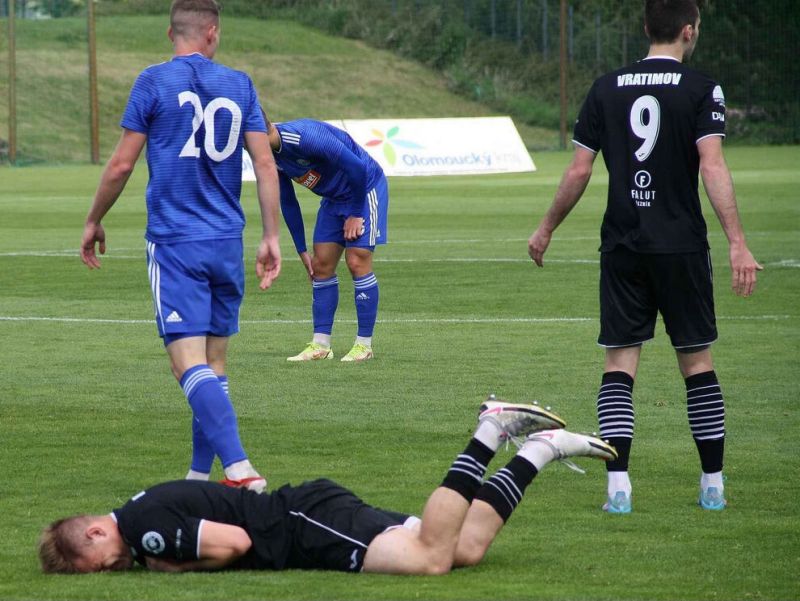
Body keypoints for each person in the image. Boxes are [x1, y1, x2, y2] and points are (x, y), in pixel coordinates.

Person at [528, 0, 762, 514]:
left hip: (623, 246)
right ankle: (713, 486)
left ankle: (618, 492)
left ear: (644, 28)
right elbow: (712, 165)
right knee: (697, 364)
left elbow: (578, 171)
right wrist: (737, 241)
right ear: (688, 31)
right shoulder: (704, 89)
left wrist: (546, 229)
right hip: (680, 246)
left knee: (619, 366)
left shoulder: (605, 87)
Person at [38, 398, 616, 574]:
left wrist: (174, 567)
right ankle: (539, 452)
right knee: (463, 548)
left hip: (305, 526)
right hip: (310, 511)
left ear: (94, 532)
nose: (114, 569)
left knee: (433, 560)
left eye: (101, 563)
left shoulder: (142, 531)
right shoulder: (138, 511)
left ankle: (490, 431)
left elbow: (235, 544)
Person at [79, 0, 282, 492]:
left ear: (172, 33)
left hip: (175, 242)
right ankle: (197, 476)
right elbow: (266, 164)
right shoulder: (240, 84)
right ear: (210, 33)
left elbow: (122, 165)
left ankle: (238, 469)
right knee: (214, 366)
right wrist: (270, 235)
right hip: (226, 242)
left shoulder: (153, 81)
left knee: (185, 364)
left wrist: (93, 219)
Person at [268, 118, 389, 362]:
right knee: (320, 265)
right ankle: (320, 345)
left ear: (265, 129)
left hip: (365, 189)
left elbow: (357, 168)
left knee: (357, 260)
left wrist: (356, 213)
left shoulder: (306, 136)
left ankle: (364, 346)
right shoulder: (266, 153)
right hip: (334, 197)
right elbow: (287, 201)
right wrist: (301, 250)